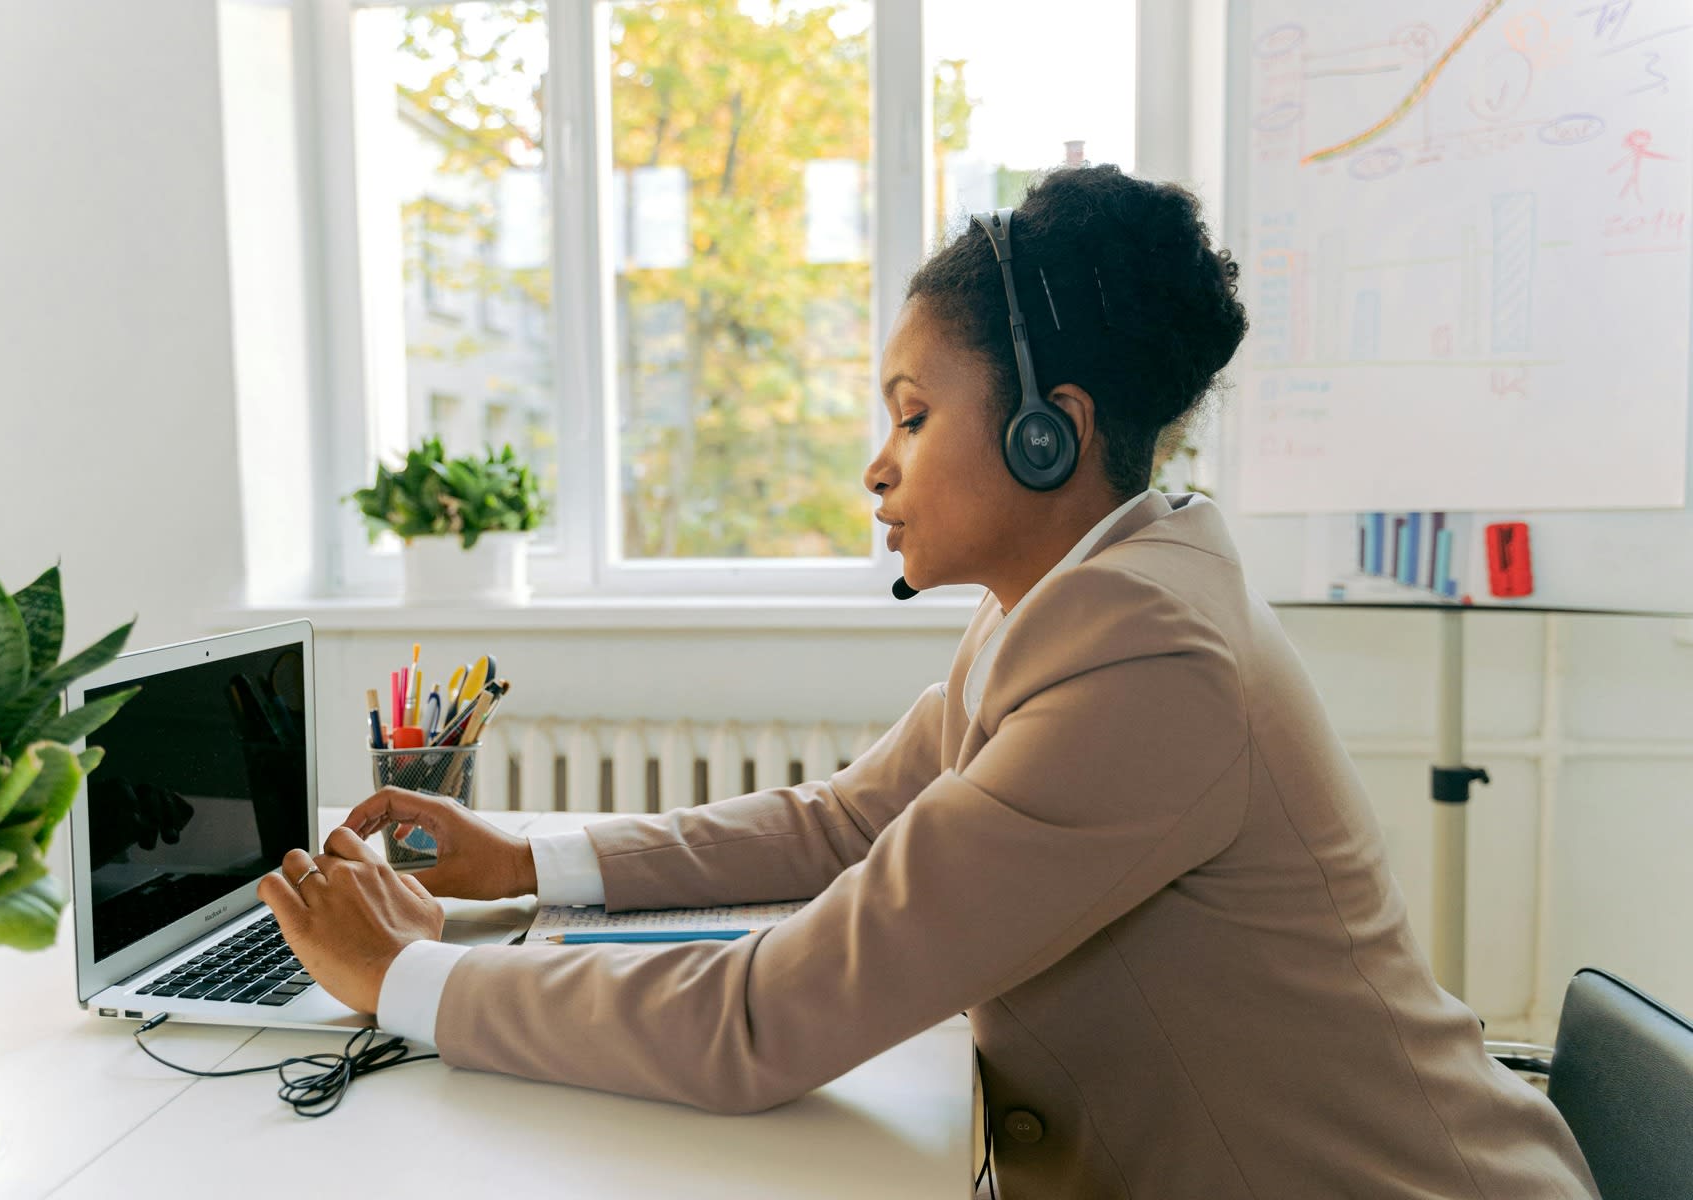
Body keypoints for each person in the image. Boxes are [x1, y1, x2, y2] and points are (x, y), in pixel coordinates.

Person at [258, 164, 1597, 1199]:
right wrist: (529, 863)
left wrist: (414, 977)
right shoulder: (1079, 603)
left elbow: (768, 1020)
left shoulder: (1146, 660)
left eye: (911, 414)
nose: (876, 467)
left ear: (1046, 432)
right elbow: (846, 824)